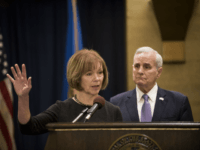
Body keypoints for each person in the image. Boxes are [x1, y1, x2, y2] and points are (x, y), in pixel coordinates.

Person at [7, 49, 122, 135]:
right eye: (89, 74)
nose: (97, 78)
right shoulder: (61, 109)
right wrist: (23, 97)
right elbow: (28, 128)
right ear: (76, 77)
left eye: (100, 72)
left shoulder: (113, 111)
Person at [110, 46, 193, 122]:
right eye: (137, 66)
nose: (140, 71)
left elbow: (188, 136)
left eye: (146, 67)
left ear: (158, 72)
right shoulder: (116, 103)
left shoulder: (178, 102)